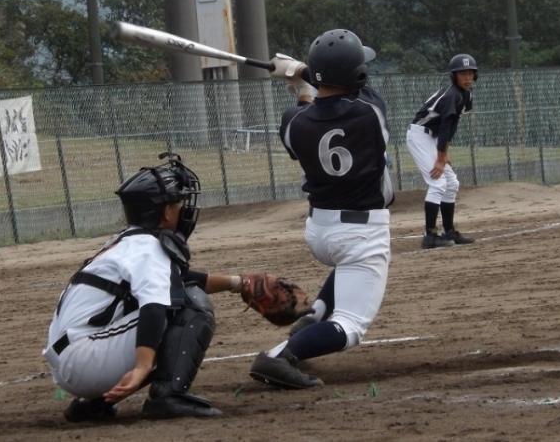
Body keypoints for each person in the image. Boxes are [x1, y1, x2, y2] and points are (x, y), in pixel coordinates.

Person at [42, 152, 246, 421]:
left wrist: (238, 283)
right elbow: (154, 306)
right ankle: (168, 396)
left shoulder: (129, 241)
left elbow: (179, 279)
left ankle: (94, 404)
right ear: (166, 211)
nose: (184, 209)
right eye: (180, 203)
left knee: (177, 296)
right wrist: (142, 366)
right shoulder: (150, 247)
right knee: (191, 304)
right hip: (86, 360)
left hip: (75, 357)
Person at [248, 29, 394, 389]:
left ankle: (312, 317)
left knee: (348, 266)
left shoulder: (293, 122)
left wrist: (301, 81)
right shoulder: (371, 112)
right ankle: (279, 357)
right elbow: (347, 95)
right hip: (360, 232)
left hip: (320, 230)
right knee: (351, 326)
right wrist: (301, 72)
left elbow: (308, 109)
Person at [405, 54, 479, 249]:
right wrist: (440, 158)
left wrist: (444, 153)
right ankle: (430, 236)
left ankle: (449, 231)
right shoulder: (451, 94)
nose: (468, 77)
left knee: (451, 183)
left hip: (432, 138)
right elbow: (445, 126)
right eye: (462, 74)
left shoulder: (466, 94)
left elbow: (453, 125)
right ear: (454, 76)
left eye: (470, 73)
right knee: (437, 183)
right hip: (420, 135)